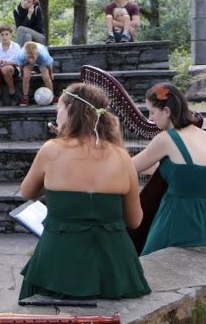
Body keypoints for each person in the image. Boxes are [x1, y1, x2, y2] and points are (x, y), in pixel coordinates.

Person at [18, 83, 150, 300]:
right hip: (115, 268)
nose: (56, 113)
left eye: (59, 107)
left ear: (71, 110)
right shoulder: (121, 156)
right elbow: (135, 220)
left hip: (58, 266)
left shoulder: (52, 150)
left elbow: (27, 192)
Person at [131, 83, 206, 256]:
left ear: (166, 111)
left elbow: (129, 167)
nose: (150, 119)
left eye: (152, 112)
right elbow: (185, 172)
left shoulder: (167, 139)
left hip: (178, 223)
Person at [0, 25, 22, 105]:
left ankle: (12, 93)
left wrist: (8, 63)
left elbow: (19, 62)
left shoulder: (16, 46)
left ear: (10, 35)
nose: (4, 37)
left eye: (6, 34)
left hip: (12, 68)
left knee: (6, 69)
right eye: (2, 34)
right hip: (0, 68)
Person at [17, 42, 55, 106]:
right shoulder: (21, 56)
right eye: (29, 57)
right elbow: (21, 66)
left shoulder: (43, 55)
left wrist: (51, 74)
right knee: (26, 77)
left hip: (40, 60)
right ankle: (25, 97)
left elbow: (49, 65)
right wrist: (21, 73)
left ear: (37, 54)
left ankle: (52, 95)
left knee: (46, 77)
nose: (31, 60)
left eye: (32, 58)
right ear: (25, 55)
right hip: (26, 62)